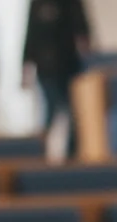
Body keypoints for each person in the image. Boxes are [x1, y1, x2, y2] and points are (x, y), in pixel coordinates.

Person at [22, 0, 91, 154]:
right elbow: (30, 33)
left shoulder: (71, 3)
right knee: (50, 111)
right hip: (46, 69)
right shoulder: (37, 3)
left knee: (72, 114)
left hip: (68, 66)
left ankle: (72, 153)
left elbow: (82, 28)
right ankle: (41, 154)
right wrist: (25, 65)